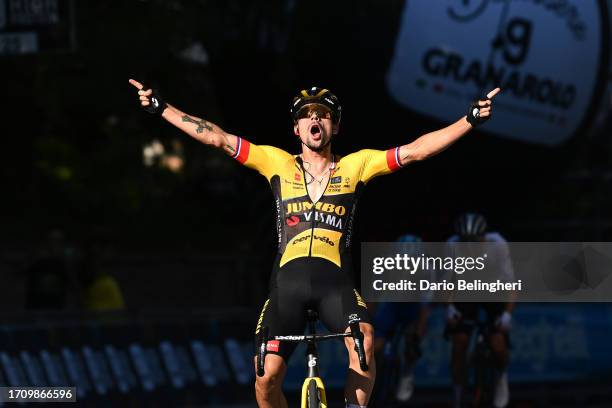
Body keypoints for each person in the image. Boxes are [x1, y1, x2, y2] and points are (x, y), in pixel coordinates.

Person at [129, 78, 500, 408]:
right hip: (286, 287)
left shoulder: (357, 165)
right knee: (265, 377)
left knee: (365, 342)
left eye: (323, 114)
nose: (315, 120)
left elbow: (417, 150)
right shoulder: (275, 162)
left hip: (335, 285)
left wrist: (468, 120)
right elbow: (217, 137)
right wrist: (162, 108)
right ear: (296, 128)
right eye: (307, 115)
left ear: (334, 126)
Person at [445, 213, 515, 408]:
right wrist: (449, 308)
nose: (469, 247)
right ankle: (457, 398)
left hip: (493, 291)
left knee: (498, 345)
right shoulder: (452, 246)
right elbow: (447, 283)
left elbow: (511, 285)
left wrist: (507, 315)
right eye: (465, 242)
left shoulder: (498, 244)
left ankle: (501, 375)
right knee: (459, 344)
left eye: (474, 242)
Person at [372, 234, 430, 404]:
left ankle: (407, 372)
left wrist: (416, 338)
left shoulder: (427, 271)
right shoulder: (382, 266)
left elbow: (424, 310)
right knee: (375, 347)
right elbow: (372, 300)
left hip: (413, 307)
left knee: (411, 343)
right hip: (390, 305)